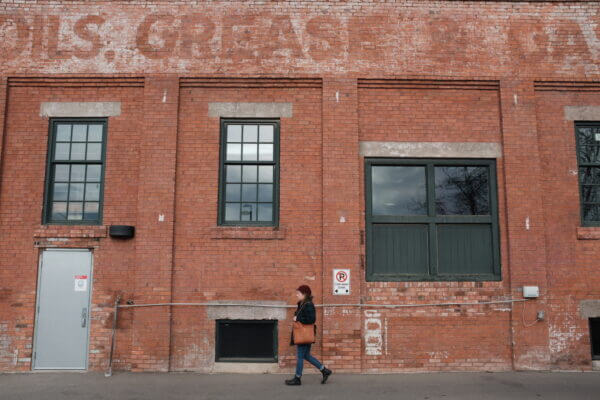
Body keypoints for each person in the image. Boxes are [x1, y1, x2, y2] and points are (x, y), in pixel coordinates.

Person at [285, 285, 332, 386]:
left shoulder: (308, 304)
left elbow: (311, 319)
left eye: (298, 293)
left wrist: (298, 319)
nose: (296, 295)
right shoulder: (302, 304)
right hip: (305, 334)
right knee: (306, 355)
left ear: (305, 294)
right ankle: (324, 370)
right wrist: (296, 316)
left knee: (300, 357)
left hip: (304, 334)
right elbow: (301, 315)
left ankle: (297, 378)